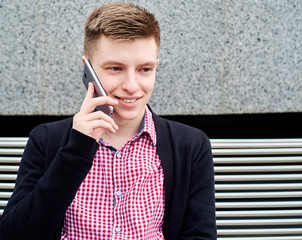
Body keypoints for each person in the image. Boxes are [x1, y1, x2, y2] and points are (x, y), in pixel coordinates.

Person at [0, 2, 216, 240]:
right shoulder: (46, 140)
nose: (132, 86)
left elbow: (200, 235)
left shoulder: (191, 146)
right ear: (88, 70)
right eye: (115, 68)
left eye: (145, 69)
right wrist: (77, 149)